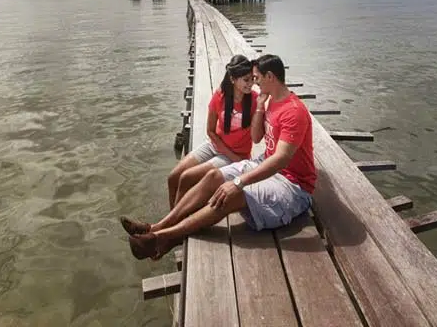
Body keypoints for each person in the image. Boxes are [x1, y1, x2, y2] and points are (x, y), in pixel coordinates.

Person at [119, 53, 315, 260]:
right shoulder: (270, 102)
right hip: (264, 163)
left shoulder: (294, 111)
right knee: (213, 178)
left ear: (270, 77)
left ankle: (161, 237)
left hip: (293, 186)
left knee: (231, 194)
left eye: (256, 78)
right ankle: (157, 227)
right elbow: (257, 138)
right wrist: (259, 107)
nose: (254, 83)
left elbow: (282, 159)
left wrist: (238, 182)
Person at [167, 55, 262, 213]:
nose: (251, 84)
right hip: (216, 146)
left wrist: (236, 158)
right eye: (246, 80)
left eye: (252, 79)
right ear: (233, 79)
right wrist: (228, 153)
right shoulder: (220, 96)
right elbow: (210, 131)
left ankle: (172, 224)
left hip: (236, 154)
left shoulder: (254, 100)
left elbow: (257, 137)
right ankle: (172, 218)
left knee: (186, 177)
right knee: (173, 177)